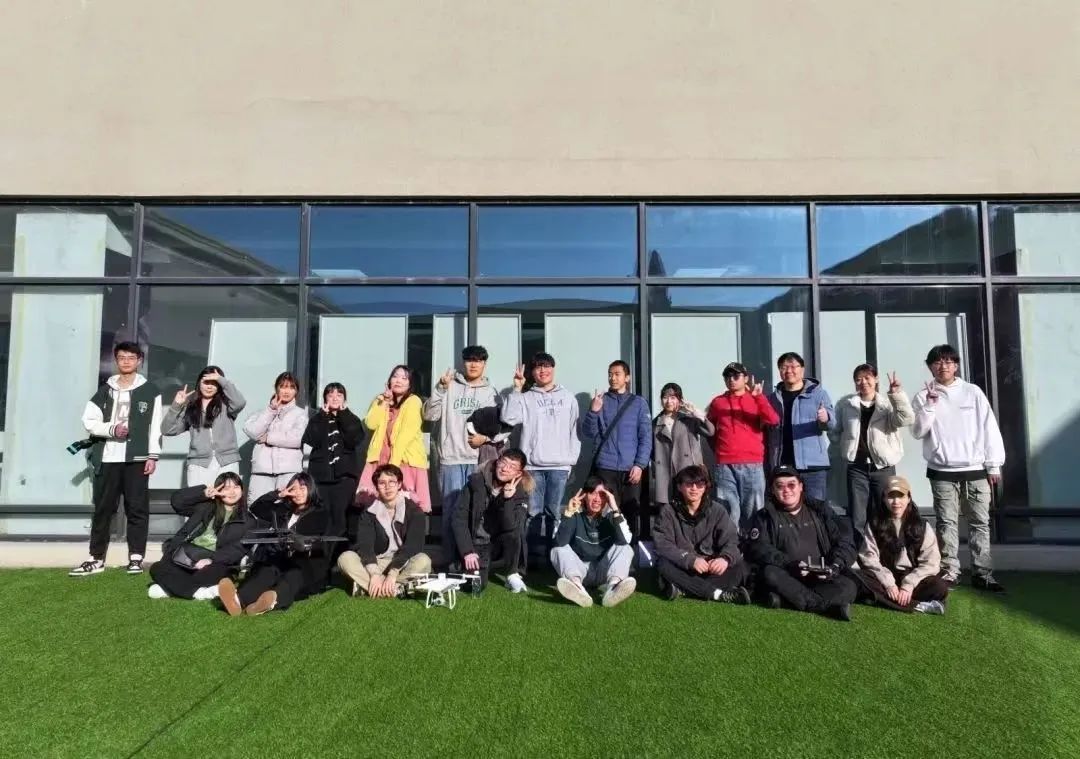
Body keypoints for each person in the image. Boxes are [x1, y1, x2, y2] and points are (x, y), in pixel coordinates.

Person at [912, 344, 1006, 592]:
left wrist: (993, 465)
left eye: (948, 361)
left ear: (956, 365)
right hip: (941, 471)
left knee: (980, 522)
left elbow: (989, 427)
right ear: (930, 366)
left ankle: (982, 573)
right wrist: (930, 405)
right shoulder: (922, 396)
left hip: (975, 469)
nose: (943, 366)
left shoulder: (972, 392)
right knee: (946, 523)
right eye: (937, 362)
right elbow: (917, 431)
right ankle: (950, 571)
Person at [70, 341, 163, 577]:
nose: (126, 361)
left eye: (131, 357)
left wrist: (153, 456)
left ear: (139, 360)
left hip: (137, 458)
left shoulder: (150, 390)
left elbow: (155, 427)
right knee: (103, 509)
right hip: (108, 457)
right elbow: (89, 421)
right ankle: (96, 557)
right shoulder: (105, 389)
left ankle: (136, 558)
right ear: (116, 360)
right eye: (122, 357)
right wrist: (111, 429)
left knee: (137, 508)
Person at [745, 466, 858, 620]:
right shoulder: (764, 516)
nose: (786, 490)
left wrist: (835, 565)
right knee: (770, 573)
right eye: (780, 486)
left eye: (791, 485)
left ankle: (787, 600)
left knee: (849, 586)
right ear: (773, 490)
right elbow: (758, 548)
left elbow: (845, 542)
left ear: (800, 487)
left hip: (821, 575)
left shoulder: (820, 510)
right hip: (788, 573)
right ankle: (823, 607)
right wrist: (790, 564)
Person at [423, 345, 500, 565]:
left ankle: (475, 561)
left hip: (479, 461)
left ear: (484, 364)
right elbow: (429, 415)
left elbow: (501, 427)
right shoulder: (449, 386)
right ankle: (451, 561)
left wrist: (485, 439)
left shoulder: (491, 392)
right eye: (469, 360)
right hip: (451, 458)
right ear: (463, 362)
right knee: (451, 512)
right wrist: (440, 389)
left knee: (477, 512)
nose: (474, 364)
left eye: (478, 360)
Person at [501, 352, 581, 556]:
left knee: (555, 512)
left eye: (546, 366)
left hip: (560, 466)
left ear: (553, 369)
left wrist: (570, 461)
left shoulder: (568, 398)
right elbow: (508, 418)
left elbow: (574, 432)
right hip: (533, 466)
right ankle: (531, 558)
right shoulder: (526, 398)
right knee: (532, 512)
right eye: (538, 367)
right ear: (532, 373)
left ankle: (554, 556)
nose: (542, 371)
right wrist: (517, 389)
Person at [218, 473, 330, 615]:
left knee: (292, 576)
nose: (298, 493)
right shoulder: (283, 510)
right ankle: (237, 600)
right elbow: (257, 508)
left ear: (311, 489)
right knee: (266, 572)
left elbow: (308, 535)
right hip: (278, 559)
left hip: (304, 563)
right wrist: (278, 494)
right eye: (294, 489)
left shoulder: (319, 513)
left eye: (302, 488)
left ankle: (272, 600)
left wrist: (288, 540)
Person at [834, 364, 914, 543]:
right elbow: (836, 431)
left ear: (876, 379)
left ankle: (886, 549)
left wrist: (897, 394)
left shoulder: (886, 404)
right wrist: (845, 446)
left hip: (883, 467)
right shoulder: (847, 405)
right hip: (857, 467)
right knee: (858, 515)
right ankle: (860, 551)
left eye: (867, 377)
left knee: (886, 510)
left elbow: (906, 419)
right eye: (858, 379)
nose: (863, 382)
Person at [653, 465, 752, 603]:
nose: (694, 488)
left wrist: (725, 558)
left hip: (710, 569)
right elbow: (662, 545)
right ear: (679, 487)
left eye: (699, 484)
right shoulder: (668, 511)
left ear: (705, 487)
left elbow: (731, 540)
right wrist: (690, 560)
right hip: (683, 566)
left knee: (741, 566)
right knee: (663, 564)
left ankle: (685, 589)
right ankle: (717, 594)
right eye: (689, 484)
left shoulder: (717, 510)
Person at [148, 472, 254, 600]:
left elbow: (238, 549)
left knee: (218, 573)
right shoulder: (205, 506)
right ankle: (202, 593)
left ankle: (170, 588)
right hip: (185, 557)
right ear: (218, 490)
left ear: (242, 490)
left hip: (216, 563)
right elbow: (177, 501)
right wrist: (203, 493)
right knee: (157, 568)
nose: (232, 492)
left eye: (236, 487)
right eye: (226, 488)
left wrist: (211, 559)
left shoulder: (248, 520)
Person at [855, 476, 949, 614]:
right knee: (858, 577)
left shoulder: (922, 525)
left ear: (909, 498)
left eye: (901, 496)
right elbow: (869, 559)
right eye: (890, 496)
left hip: (913, 578)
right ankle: (918, 606)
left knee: (939, 587)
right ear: (883, 499)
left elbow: (931, 562)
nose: (896, 502)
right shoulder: (874, 524)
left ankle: (885, 600)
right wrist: (889, 584)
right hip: (884, 577)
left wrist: (908, 584)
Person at [580, 360, 652, 539]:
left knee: (630, 512)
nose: (612, 378)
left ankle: (629, 549)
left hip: (630, 469)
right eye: (610, 374)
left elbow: (645, 437)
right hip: (606, 466)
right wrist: (593, 411)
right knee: (606, 512)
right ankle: (605, 547)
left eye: (617, 374)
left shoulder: (639, 403)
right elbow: (589, 432)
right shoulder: (601, 401)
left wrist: (640, 464)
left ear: (627, 378)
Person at [337, 464, 433, 598]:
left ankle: (376, 587)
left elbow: (413, 546)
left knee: (423, 561)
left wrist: (392, 574)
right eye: (382, 483)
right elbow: (365, 546)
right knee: (345, 558)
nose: (387, 487)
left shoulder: (415, 511)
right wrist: (375, 574)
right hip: (378, 562)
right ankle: (396, 589)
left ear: (399, 484)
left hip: (403, 562)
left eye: (392, 482)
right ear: (377, 487)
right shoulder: (368, 513)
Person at [706, 362, 779, 528]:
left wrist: (759, 397)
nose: (731, 379)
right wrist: (719, 450)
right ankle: (731, 543)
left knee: (753, 510)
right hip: (724, 465)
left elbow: (773, 420)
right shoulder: (718, 402)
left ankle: (753, 541)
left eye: (736, 376)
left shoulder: (756, 399)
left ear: (745, 378)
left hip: (752, 463)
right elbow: (709, 431)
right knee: (727, 510)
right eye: (727, 376)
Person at [452, 448, 533, 593]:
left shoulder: (520, 493)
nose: (505, 469)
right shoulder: (475, 483)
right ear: (497, 462)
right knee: (476, 587)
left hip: (498, 546)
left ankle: (512, 573)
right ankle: (465, 567)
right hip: (476, 543)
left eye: (512, 466)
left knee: (515, 532)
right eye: (503, 462)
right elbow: (459, 519)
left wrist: (507, 500)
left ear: (518, 473)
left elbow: (511, 526)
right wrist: (467, 551)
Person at [550, 478, 636, 608]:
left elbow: (624, 541)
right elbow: (560, 542)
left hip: (604, 573)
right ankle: (578, 588)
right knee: (557, 550)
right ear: (585, 496)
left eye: (602, 495)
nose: (597, 499)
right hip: (580, 572)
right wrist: (568, 513)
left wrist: (615, 509)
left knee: (625, 548)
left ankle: (613, 588)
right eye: (593, 493)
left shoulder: (613, 516)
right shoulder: (574, 515)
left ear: (608, 499)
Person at [359, 365, 431, 513]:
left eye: (404, 378)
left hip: (404, 463)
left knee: (406, 508)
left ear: (410, 384)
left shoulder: (413, 401)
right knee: (377, 509)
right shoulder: (381, 399)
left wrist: (392, 470)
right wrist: (384, 401)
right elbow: (370, 423)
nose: (398, 381)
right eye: (395, 376)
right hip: (379, 460)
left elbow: (404, 438)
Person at [161, 365, 247, 487]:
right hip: (199, 464)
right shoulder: (190, 407)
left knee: (227, 496)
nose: (209, 386)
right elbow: (167, 430)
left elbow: (240, 402)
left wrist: (222, 380)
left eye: (214, 383)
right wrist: (176, 405)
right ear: (199, 383)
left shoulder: (226, 405)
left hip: (227, 461)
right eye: (206, 382)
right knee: (200, 497)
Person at [766, 352, 836, 501]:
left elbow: (831, 424)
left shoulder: (818, 394)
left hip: (812, 466)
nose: (788, 371)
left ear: (802, 369)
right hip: (783, 465)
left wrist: (825, 418)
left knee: (815, 507)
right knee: (784, 508)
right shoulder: (772, 399)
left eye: (793, 367)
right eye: (784, 367)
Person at [302, 382, 364, 539]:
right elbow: (312, 439)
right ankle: (322, 550)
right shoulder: (317, 419)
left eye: (339, 395)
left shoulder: (351, 418)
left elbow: (354, 439)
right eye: (330, 395)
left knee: (341, 518)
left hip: (344, 479)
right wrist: (322, 416)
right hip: (321, 479)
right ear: (325, 399)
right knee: (322, 518)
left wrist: (343, 414)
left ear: (344, 399)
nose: (335, 398)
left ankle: (341, 550)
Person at [242, 372, 308, 505]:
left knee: (286, 508)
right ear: (276, 388)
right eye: (283, 387)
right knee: (256, 507)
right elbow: (253, 431)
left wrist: (268, 437)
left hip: (289, 471)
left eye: (291, 387)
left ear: (296, 391)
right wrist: (271, 410)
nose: (287, 391)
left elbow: (297, 438)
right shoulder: (263, 412)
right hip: (262, 471)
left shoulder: (300, 414)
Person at [651, 382, 715, 514]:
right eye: (665, 397)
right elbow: (652, 451)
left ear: (680, 400)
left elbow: (710, 431)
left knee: (691, 509)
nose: (669, 401)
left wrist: (696, 412)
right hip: (665, 474)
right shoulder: (655, 423)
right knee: (668, 511)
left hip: (689, 470)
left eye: (673, 397)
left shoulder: (688, 419)